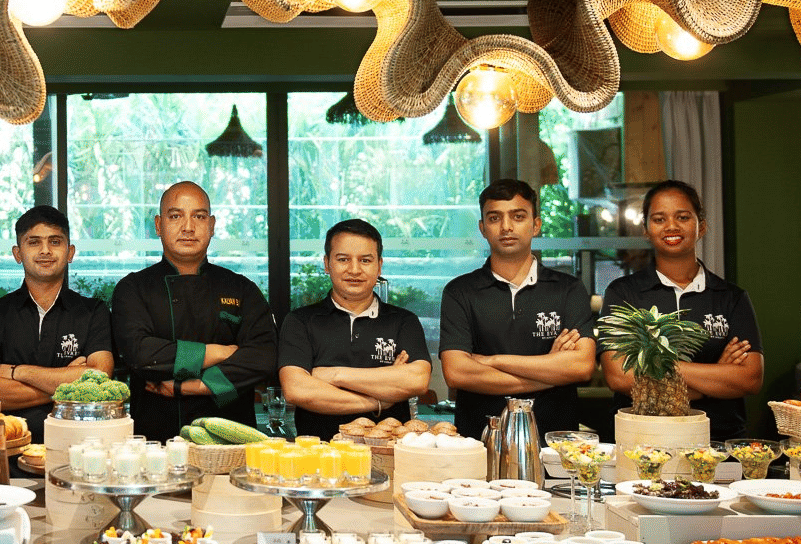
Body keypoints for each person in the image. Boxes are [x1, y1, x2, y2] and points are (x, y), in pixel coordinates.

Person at [111, 181, 277, 441]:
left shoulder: (241, 289)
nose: (188, 227)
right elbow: (142, 356)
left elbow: (263, 359)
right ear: (158, 225)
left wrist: (191, 387)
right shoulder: (133, 289)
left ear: (211, 226)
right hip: (156, 441)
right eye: (175, 216)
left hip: (230, 441)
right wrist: (221, 352)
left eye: (198, 216)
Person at [599, 179, 762, 440]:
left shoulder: (731, 297)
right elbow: (618, 376)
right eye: (659, 219)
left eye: (683, 217)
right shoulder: (623, 293)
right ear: (646, 230)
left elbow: (749, 378)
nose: (671, 226)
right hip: (642, 438)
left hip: (717, 441)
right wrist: (716, 375)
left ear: (701, 227)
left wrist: (659, 367)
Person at [439, 179, 596, 437]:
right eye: (494, 218)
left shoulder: (568, 289)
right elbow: (457, 373)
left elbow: (581, 366)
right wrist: (551, 369)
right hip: (478, 441)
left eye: (518, 216)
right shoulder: (460, 292)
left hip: (554, 443)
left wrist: (494, 361)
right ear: (482, 228)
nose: (506, 227)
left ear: (536, 225)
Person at [0, 206, 114, 442]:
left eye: (55, 242)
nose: (45, 250)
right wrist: (70, 379)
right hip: (8, 447)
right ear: (18, 253)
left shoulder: (93, 312)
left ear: (70, 252)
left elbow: (99, 377)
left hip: (81, 446)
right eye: (34, 242)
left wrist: (16, 372)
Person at [278, 219, 432, 439]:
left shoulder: (403, 321)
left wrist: (332, 374)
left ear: (379, 265)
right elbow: (297, 390)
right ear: (327, 263)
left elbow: (416, 380)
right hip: (318, 455)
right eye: (343, 259)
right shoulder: (300, 321)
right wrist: (379, 401)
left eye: (365, 260)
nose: (354, 269)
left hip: (389, 453)